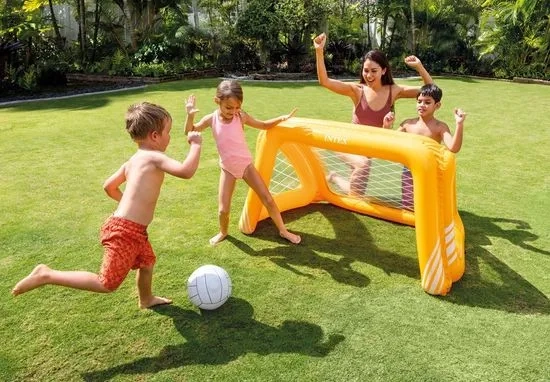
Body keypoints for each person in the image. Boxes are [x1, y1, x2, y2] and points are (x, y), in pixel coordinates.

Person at [12, 102, 203, 309]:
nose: (170, 137)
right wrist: (196, 145)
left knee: (147, 263)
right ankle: (46, 274)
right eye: (169, 132)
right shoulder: (155, 157)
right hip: (126, 232)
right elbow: (186, 171)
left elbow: (108, 187)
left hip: (129, 227)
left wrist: (129, 205)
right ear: (155, 136)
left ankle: (146, 299)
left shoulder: (132, 161)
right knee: (106, 283)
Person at [313, 32, 433, 196]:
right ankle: (340, 176)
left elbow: (430, 91)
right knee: (362, 166)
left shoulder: (394, 91)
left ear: (383, 71)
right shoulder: (356, 90)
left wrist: (419, 66)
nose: (369, 75)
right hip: (349, 143)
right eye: (366, 70)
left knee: (357, 194)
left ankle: (334, 177)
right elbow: (324, 81)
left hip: (370, 148)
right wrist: (319, 51)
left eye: (374, 71)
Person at [184, 80, 301, 246]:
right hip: (228, 169)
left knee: (267, 198)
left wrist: (280, 119)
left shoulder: (241, 117)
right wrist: (190, 115)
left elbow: (263, 125)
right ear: (217, 101)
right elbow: (189, 131)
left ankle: (283, 230)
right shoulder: (211, 119)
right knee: (223, 209)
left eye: (237, 107)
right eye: (229, 108)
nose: (233, 111)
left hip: (246, 167)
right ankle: (223, 232)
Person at [382, 83, 467, 209]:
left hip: (431, 171)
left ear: (437, 105)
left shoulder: (440, 127)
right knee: (409, 206)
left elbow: (454, 147)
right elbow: (388, 142)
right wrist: (386, 126)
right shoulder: (408, 124)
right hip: (408, 171)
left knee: (429, 205)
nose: (422, 105)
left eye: (427, 102)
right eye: (419, 101)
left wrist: (459, 124)